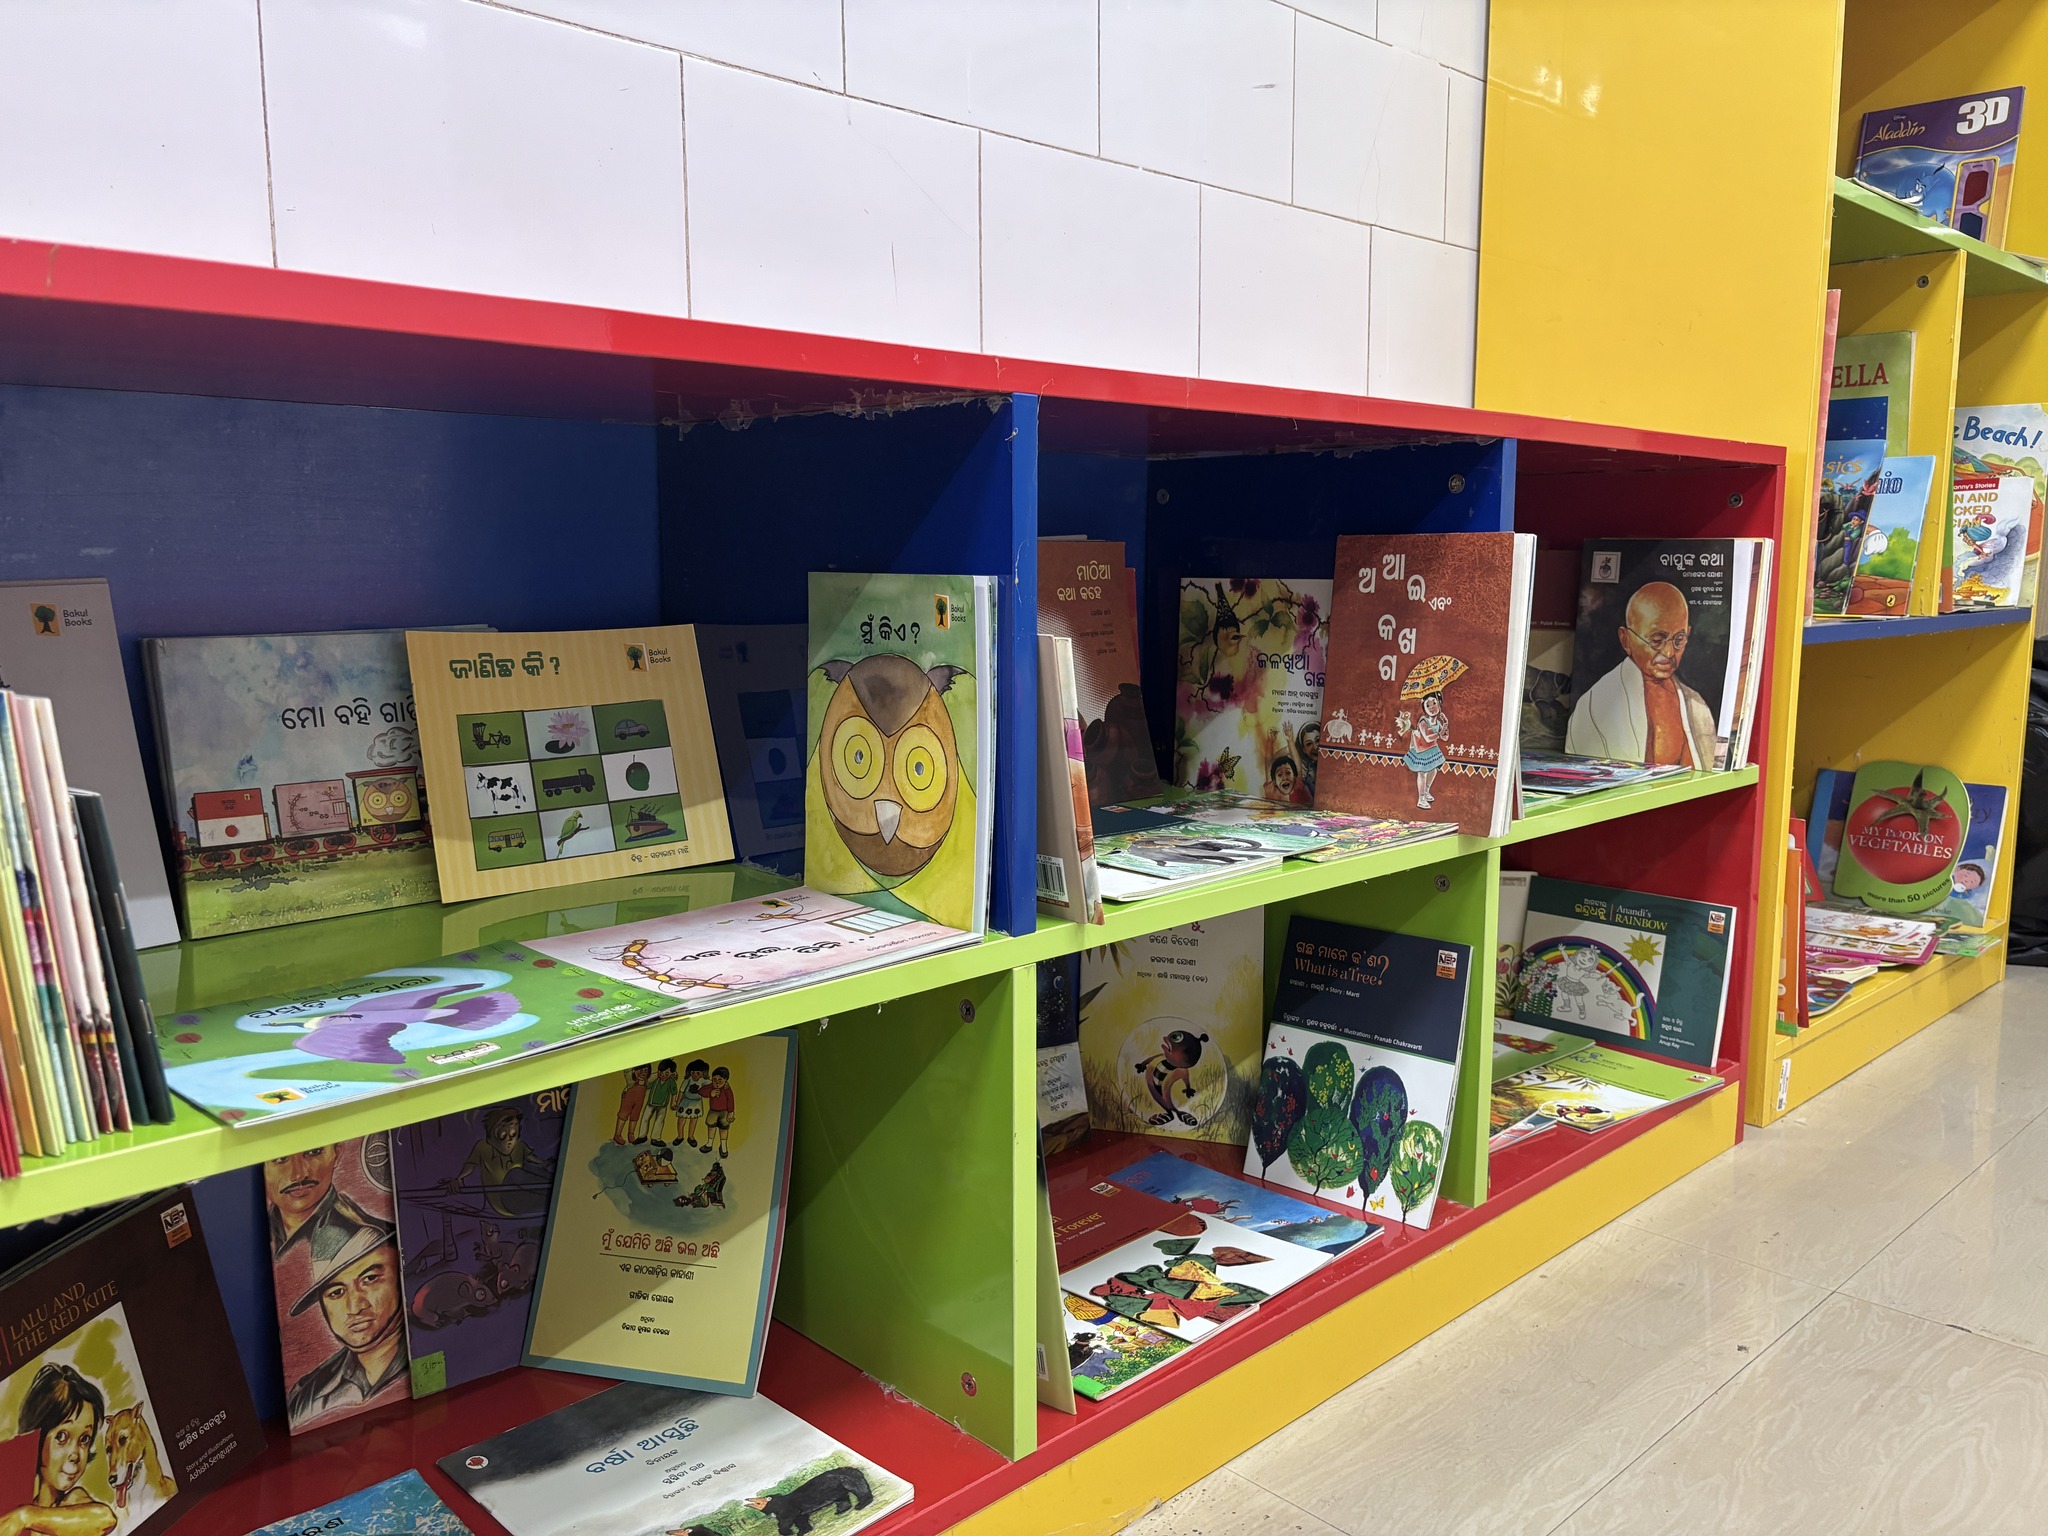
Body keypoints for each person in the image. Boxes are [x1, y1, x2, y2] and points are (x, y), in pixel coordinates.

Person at [1564, 581, 1716, 767]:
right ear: (1626, 640)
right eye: (1657, 640)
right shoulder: (1594, 706)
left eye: (1679, 640)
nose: (1669, 653)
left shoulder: (1697, 706)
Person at [284, 1226, 408, 1427]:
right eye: (336, 1292)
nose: (355, 1307)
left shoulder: (429, 1357)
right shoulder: (306, 1397)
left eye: (369, 1279)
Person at [0, 1364, 115, 1536]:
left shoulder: (73, 1502)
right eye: (61, 1437)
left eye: (84, 1439)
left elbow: (104, 1519)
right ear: (37, 1438)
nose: (75, 1454)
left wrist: (25, 1516)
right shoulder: (11, 1508)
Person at [264, 1145, 375, 1262]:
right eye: (281, 1158)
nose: (298, 1175)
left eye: (313, 1152)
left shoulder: (365, 1240)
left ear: (336, 1154)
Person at [446, 1106, 554, 1219]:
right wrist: (459, 1178)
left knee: (530, 1169)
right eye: (503, 1135)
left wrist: (544, 1164)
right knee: (515, 1173)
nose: (509, 1140)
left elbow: (535, 1160)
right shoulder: (483, 1148)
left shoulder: (520, 1147)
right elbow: (470, 1165)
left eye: (513, 1134)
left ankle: (557, 1190)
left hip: (527, 1195)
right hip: (505, 1201)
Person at [1399, 692, 1451, 809]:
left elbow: (1445, 738)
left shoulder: (1438, 723)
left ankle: (1426, 791)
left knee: (1433, 770)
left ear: (1440, 704)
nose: (1431, 707)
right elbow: (1427, 737)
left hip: (1432, 750)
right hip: (1421, 751)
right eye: (1428, 705)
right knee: (1422, 773)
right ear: (1424, 708)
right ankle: (1421, 798)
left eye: (1434, 703)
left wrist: (1445, 724)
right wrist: (1440, 733)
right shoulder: (1423, 721)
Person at [702, 1067, 736, 1157]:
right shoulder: (711, 1086)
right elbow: (701, 1091)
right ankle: (709, 1144)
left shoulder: (727, 1088)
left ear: (725, 1079)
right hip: (713, 1111)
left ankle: (723, 1146)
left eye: (720, 1080)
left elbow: (731, 1100)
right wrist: (710, 1093)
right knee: (711, 1127)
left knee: (723, 1129)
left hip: (724, 1112)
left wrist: (731, 1112)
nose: (717, 1082)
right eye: (714, 1079)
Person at [613, 1066, 651, 1147]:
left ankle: (631, 1133)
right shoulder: (631, 1081)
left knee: (635, 1117)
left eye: (645, 1071)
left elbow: (656, 1075)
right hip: (628, 1101)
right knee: (623, 1115)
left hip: (638, 1103)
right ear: (634, 1071)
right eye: (640, 1071)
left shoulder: (646, 1081)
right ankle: (618, 1134)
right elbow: (627, 1071)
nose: (643, 1073)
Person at [677, 1059, 710, 1149]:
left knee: (693, 1120)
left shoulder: (704, 1081)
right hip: (685, 1102)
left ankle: (691, 1137)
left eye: (698, 1073)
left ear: (702, 1073)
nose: (695, 1075)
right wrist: (678, 1102)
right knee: (681, 1120)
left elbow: (712, 1085)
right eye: (693, 1073)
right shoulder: (688, 1080)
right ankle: (680, 1136)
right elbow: (681, 1091)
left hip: (696, 1103)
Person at [644, 1060, 678, 1146]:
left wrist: (673, 1103)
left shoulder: (671, 1082)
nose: (662, 1075)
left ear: (672, 1073)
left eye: (666, 1073)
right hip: (650, 1103)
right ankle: (642, 1136)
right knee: (645, 1119)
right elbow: (647, 1086)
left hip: (662, 1105)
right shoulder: (656, 1080)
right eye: (661, 1072)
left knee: (659, 1121)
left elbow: (674, 1093)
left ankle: (655, 1138)